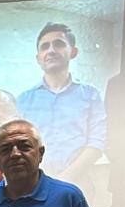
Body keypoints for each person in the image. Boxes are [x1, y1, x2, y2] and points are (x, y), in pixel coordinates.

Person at [16, 22, 107, 189]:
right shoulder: (22, 100)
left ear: (73, 52)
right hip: (32, 186)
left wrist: (67, 178)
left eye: (59, 44)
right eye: (45, 46)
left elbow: (97, 142)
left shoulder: (91, 95)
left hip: (79, 185)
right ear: (38, 58)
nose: (51, 50)